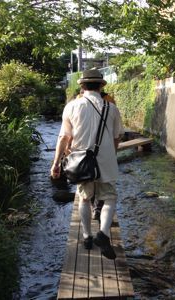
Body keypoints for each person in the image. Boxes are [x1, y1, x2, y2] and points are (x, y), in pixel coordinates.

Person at [51, 69, 124, 260]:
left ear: (82, 86)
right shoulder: (112, 109)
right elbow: (117, 137)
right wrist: (110, 155)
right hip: (106, 161)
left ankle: (86, 236)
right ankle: (104, 234)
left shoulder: (72, 107)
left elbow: (64, 137)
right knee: (109, 197)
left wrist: (56, 163)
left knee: (83, 198)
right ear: (101, 86)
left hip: (81, 161)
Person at [74, 88, 116, 221]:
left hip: (84, 154)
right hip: (104, 151)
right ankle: (98, 209)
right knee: (104, 184)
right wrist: (113, 152)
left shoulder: (77, 102)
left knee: (88, 182)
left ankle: (94, 210)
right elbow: (115, 130)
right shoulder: (109, 101)